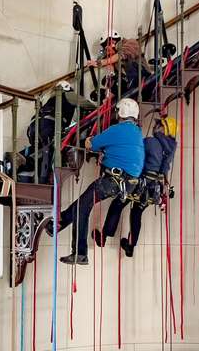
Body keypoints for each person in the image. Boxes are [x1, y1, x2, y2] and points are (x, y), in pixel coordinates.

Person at [46, 98, 144, 265]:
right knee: (82, 204)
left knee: (82, 208)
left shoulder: (117, 130)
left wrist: (89, 139)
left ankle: (80, 253)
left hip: (112, 181)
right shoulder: (136, 132)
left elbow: (92, 145)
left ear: (119, 113)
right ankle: (57, 224)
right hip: (127, 184)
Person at [93, 116, 177, 257]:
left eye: (159, 125)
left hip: (138, 182)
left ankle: (104, 236)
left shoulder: (151, 142)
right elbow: (164, 169)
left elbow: (134, 155)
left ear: (164, 129)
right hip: (153, 188)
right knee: (137, 213)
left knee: (118, 204)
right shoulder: (170, 148)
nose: (155, 127)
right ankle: (131, 246)